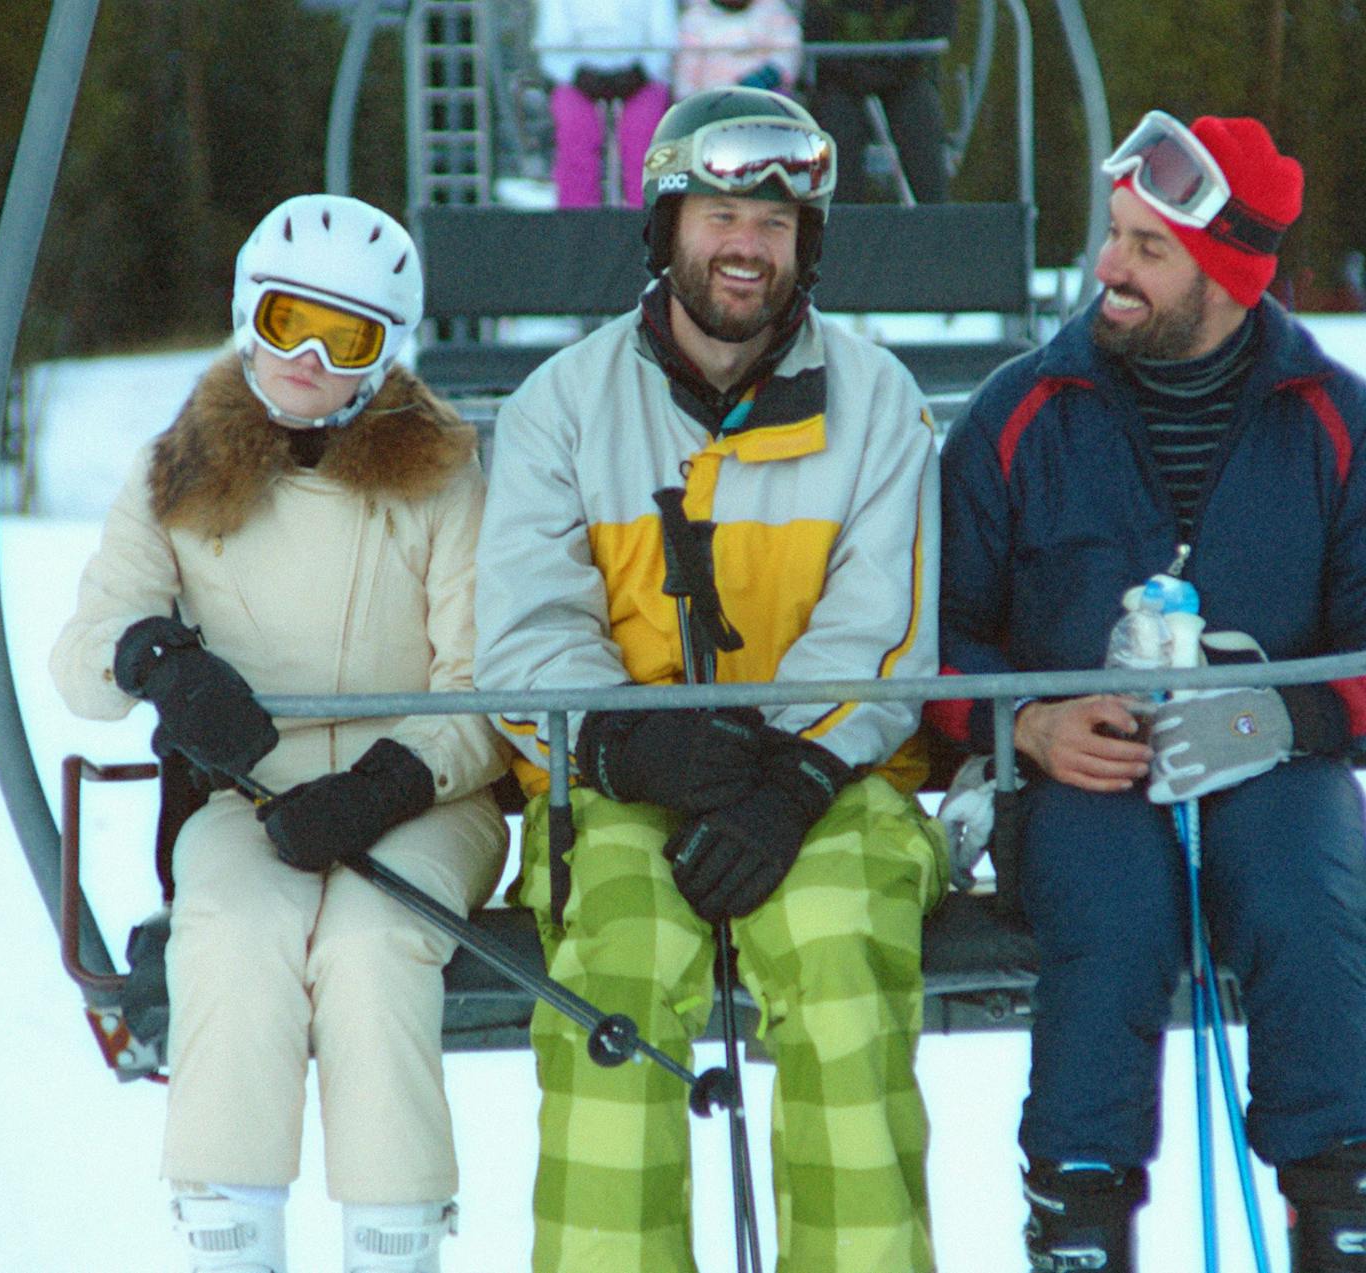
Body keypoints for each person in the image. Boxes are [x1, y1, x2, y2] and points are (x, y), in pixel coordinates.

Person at [935, 112, 1366, 1273]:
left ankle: (1346, 1205)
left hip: (1273, 768)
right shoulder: (1021, 416)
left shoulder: (1336, 423)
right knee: (1109, 913)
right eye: (1112, 237)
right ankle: (1080, 1215)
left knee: (1308, 897)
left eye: (1148, 250)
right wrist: (1032, 721)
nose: (1109, 268)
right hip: (1076, 770)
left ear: (1227, 274)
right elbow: (934, 641)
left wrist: (1284, 717)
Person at [473, 86, 946, 1273]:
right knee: (612, 997)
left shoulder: (877, 406)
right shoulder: (564, 410)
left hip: (829, 783)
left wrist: (784, 780)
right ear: (665, 224)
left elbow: (884, 631)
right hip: (620, 787)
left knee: (843, 972)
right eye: (720, 214)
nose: (747, 246)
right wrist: (623, 745)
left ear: (809, 244)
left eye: (776, 225)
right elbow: (524, 632)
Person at [49, 194, 510, 1273]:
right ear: (247, 313)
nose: (304, 357)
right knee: (236, 935)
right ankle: (232, 1239)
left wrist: (391, 783)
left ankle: (393, 1244)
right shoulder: (180, 467)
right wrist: (155, 658)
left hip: (427, 794)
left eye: (342, 338)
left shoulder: (442, 475)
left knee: (369, 945)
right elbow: (85, 654)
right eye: (284, 319)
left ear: (386, 354)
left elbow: (485, 684)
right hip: (244, 794)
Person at [800, 0, 955, 204]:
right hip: (841, 79)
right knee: (836, 128)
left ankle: (934, 221)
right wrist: (853, 72)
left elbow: (937, 27)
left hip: (906, 75)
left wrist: (894, 69)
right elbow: (816, 35)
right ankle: (840, 223)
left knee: (920, 124)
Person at [533, 0, 679, 207]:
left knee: (646, 141)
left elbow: (664, 36)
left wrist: (643, 72)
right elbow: (551, 40)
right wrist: (577, 75)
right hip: (576, 75)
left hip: (642, 74)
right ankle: (577, 223)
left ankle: (650, 221)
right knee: (576, 135)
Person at [673, 0, 802, 99]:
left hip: (764, 99)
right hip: (710, 104)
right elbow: (686, 79)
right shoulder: (695, 18)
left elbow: (786, 56)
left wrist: (763, 79)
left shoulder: (774, 10)